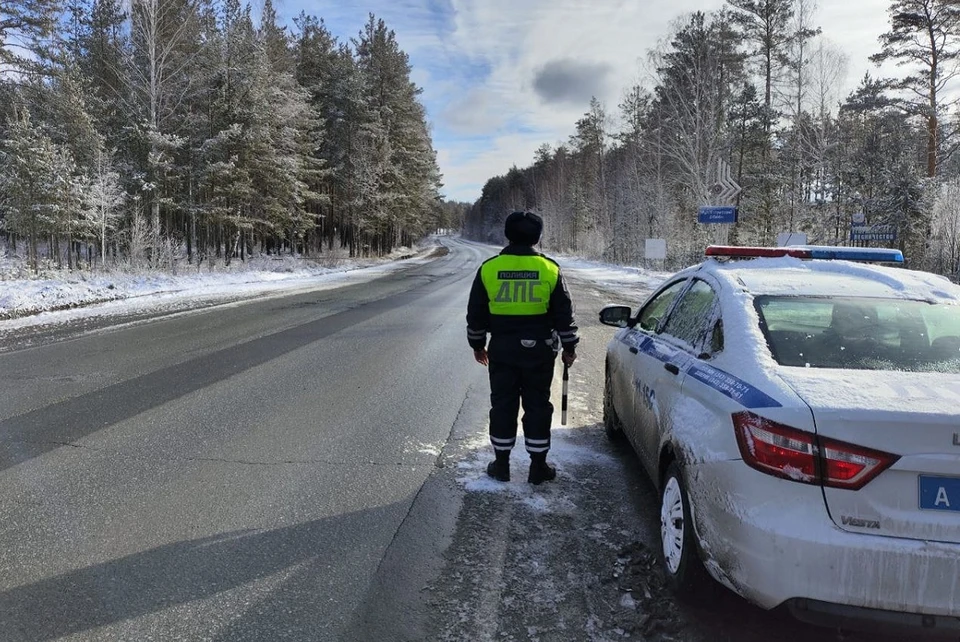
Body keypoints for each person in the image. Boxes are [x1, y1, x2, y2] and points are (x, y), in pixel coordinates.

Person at [466, 211, 579, 485]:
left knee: (503, 404)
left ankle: (501, 465)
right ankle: (537, 467)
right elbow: (564, 313)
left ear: (507, 235)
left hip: (502, 350)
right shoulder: (550, 269)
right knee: (538, 405)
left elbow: (476, 313)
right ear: (537, 238)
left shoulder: (489, 268)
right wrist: (569, 347)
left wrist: (478, 345)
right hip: (539, 351)